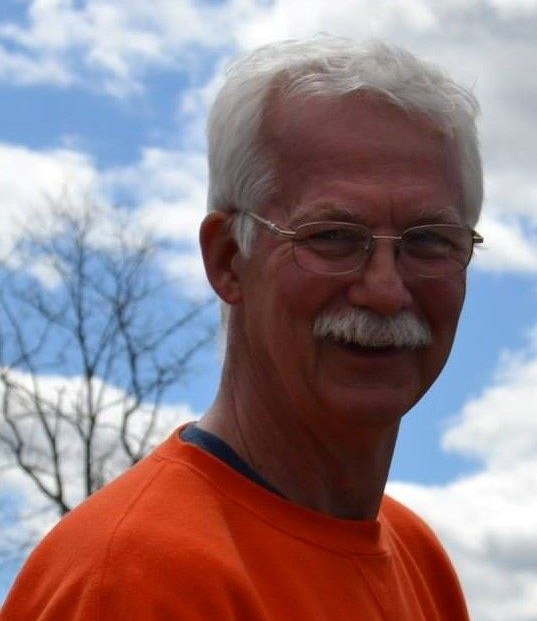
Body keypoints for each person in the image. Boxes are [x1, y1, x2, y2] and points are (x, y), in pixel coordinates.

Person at [1, 35, 483, 620]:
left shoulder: (415, 555)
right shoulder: (140, 579)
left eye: (430, 240)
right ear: (229, 260)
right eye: (333, 237)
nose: (385, 290)